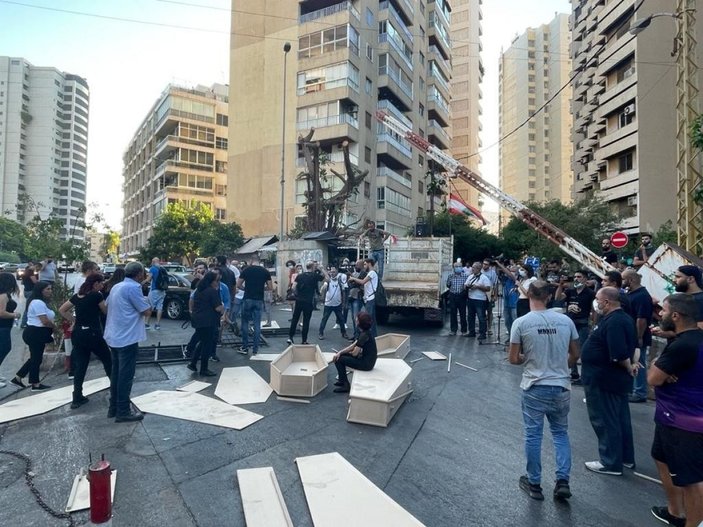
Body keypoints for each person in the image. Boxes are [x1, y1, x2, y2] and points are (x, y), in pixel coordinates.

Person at [509, 281, 580, 501]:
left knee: (533, 435)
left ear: (528, 295)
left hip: (534, 385)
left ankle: (534, 482)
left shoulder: (521, 323)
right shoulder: (565, 321)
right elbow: (575, 354)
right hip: (560, 386)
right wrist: (560, 366)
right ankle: (562, 480)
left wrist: (527, 358)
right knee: (560, 433)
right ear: (548, 297)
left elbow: (513, 359)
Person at [646, 294, 703, 527]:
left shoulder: (683, 345)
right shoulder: (693, 339)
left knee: (692, 480)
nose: (660, 314)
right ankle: (675, 512)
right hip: (673, 416)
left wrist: (658, 368)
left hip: (683, 421)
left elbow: (653, 378)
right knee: (661, 457)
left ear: (676, 316)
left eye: (664, 310)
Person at [581, 287, 638, 476]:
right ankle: (625, 457)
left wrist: (630, 367)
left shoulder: (615, 322)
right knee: (620, 419)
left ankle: (610, 461)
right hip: (610, 379)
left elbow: (619, 353)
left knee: (605, 420)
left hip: (604, 379)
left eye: (598, 299)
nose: (595, 303)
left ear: (607, 302)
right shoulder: (621, 319)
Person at [103, 262, 152, 423]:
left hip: (114, 336)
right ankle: (123, 410)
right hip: (127, 337)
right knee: (125, 375)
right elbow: (146, 311)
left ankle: (114, 407)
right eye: (143, 273)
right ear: (139, 274)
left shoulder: (117, 287)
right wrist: (148, 300)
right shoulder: (133, 288)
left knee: (117, 374)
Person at [58, 273, 112, 409]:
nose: (102, 285)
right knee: (108, 360)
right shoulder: (96, 296)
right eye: (101, 283)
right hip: (93, 334)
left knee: (81, 366)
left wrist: (74, 320)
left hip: (78, 334)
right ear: (95, 284)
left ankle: (77, 396)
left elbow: (62, 309)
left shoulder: (77, 296)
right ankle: (116, 389)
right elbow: (105, 311)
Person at [11, 281, 56, 391]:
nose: (50, 291)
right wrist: (55, 326)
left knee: (35, 358)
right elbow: (44, 321)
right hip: (35, 333)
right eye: (47, 289)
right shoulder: (37, 303)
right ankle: (35, 384)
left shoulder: (39, 302)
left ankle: (18, 377)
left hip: (36, 333)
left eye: (50, 289)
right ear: (41, 290)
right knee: (36, 359)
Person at [555, 269, 595, 385]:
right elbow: (558, 298)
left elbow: (594, 310)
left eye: (579, 277)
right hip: (570, 322)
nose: (577, 279)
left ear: (585, 279)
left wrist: (593, 323)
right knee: (570, 349)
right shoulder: (570, 291)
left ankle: (584, 375)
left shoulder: (590, 293)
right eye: (575, 277)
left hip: (582, 323)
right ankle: (573, 373)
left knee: (582, 350)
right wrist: (560, 286)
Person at [622, 269, 653, 403]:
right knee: (632, 361)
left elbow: (642, 319)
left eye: (624, 279)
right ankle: (633, 389)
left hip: (638, 336)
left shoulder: (641, 296)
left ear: (631, 280)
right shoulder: (632, 293)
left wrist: (639, 337)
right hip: (631, 336)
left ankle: (640, 392)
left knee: (638, 362)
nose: (622, 282)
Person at [187, 271, 223, 376]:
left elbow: (192, 301)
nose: (218, 283)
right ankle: (204, 368)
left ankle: (193, 363)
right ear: (211, 281)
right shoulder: (212, 291)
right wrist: (222, 309)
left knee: (202, 342)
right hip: (209, 321)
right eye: (217, 281)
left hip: (198, 319)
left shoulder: (199, 290)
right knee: (207, 345)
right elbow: (218, 308)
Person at [331, 312, 377, 393]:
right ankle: (342, 380)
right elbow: (352, 346)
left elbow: (355, 353)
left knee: (339, 359)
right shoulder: (365, 332)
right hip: (367, 360)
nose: (355, 320)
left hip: (366, 364)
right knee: (339, 356)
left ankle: (346, 385)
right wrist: (340, 352)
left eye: (357, 319)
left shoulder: (364, 336)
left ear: (360, 322)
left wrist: (342, 354)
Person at [652, 265, 703, 340]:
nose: (674, 280)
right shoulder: (683, 297)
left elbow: (699, 329)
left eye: (678, 277)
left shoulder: (700, 300)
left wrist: (669, 333)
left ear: (691, 279)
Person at [237, 256, 272, 355]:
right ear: (259, 261)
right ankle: (255, 349)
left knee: (245, 323)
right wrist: (261, 289)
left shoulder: (246, 271)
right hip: (258, 300)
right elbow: (270, 287)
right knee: (257, 324)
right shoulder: (265, 272)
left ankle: (244, 347)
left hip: (247, 298)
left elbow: (238, 284)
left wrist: (246, 289)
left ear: (251, 261)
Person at [287, 262, 325, 345]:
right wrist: (322, 269)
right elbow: (325, 278)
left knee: (295, 319)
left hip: (299, 300)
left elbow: (293, 287)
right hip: (308, 301)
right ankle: (304, 340)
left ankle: (290, 337)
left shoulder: (300, 276)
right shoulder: (315, 276)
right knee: (306, 321)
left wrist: (297, 294)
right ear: (313, 267)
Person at [0, 272, 22, 388]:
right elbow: (1, 313)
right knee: (4, 348)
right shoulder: (3, 296)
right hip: (2, 326)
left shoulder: (4, 295)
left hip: (5, 326)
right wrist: (14, 315)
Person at [349, 258, 379, 337]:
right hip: (368, 299)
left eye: (365, 264)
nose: (364, 266)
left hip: (370, 299)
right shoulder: (370, 273)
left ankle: (370, 338)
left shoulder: (372, 273)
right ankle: (373, 337)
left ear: (369, 264)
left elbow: (362, 282)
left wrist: (353, 278)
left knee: (369, 320)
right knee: (372, 319)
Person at [318, 266, 349, 340]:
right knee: (324, 319)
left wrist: (344, 302)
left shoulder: (339, 280)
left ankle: (344, 333)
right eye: (331, 272)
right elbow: (324, 287)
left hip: (337, 304)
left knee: (341, 319)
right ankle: (320, 333)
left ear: (337, 272)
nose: (332, 273)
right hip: (328, 304)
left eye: (334, 272)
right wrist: (322, 290)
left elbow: (343, 291)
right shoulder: (328, 280)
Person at [464, 262, 492, 343]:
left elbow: (488, 288)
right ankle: (471, 332)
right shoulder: (470, 276)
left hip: (480, 300)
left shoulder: (484, 278)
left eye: (474, 267)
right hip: (471, 299)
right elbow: (465, 285)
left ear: (479, 269)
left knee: (481, 317)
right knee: (470, 316)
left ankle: (483, 333)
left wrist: (478, 286)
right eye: (472, 267)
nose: (472, 269)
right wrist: (467, 286)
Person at [446, 262, 468, 336]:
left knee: (463, 314)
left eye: (459, 266)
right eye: (456, 266)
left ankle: (464, 330)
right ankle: (453, 330)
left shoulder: (465, 276)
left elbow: (467, 286)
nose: (458, 267)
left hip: (462, 297)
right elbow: (448, 285)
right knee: (453, 314)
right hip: (453, 296)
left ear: (462, 267)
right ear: (454, 268)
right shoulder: (450, 276)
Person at [346, 260, 366, 341]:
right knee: (353, 318)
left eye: (357, 265)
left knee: (356, 318)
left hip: (358, 297)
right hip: (351, 296)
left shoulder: (363, 273)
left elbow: (358, 283)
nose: (355, 266)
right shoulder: (354, 273)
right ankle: (355, 334)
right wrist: (351, 278)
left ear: (361, 265)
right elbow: (350, 284)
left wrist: (352, 278)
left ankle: (358, 336)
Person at [145, 257, 166, 330]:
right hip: (162, 290)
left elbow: (148, 279)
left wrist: (141, 283)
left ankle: (146, 324)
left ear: (153, 262)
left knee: (149, 306)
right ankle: (157, 324)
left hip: (154, 290)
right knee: (159, 307)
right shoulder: (162, 269)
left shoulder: (152, 268)